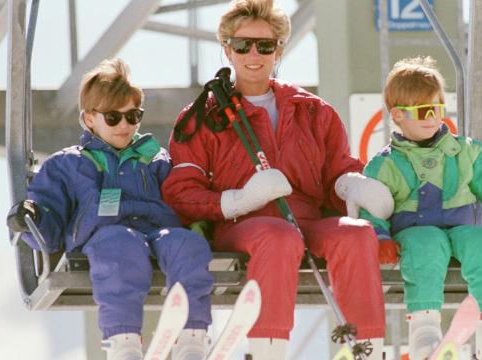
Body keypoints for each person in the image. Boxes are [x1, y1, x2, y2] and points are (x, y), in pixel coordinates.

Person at [161, 1, 395, 359]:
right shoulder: (205, 116)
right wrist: (239, 199)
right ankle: (269, 348)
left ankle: (367, 348)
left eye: (265, 45)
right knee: (278, 236)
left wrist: (353, 185)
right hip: (243, 223)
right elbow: (181, 192)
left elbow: (336, 170)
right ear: (227, 49)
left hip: (307, 220)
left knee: (356, 233)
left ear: (279, 49)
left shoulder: (314, 111)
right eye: (242, 45)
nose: (253, 54)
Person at [6, 58, 214, 360]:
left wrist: (205, 223)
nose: (125, 126)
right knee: (121, 245)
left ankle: (192, 335)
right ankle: (123, 339)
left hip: (157, 233)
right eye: (113, 118)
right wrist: (33, 217)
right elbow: (49, 215)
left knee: (188, 244)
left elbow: (184, 199)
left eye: (134, 116)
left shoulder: (155, 160)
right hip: (104, 237)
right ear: (89, 119)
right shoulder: (71, 164)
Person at [359, 56, 482, 360]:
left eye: (438, 108)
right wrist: (380, 237)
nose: (433, 117)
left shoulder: (466, 153)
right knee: (426, 244)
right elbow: (369, 207)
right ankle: (425, 334)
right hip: (415, 236)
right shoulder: (386, 165)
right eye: (424, 111)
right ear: (398, 115)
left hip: (463, 231)